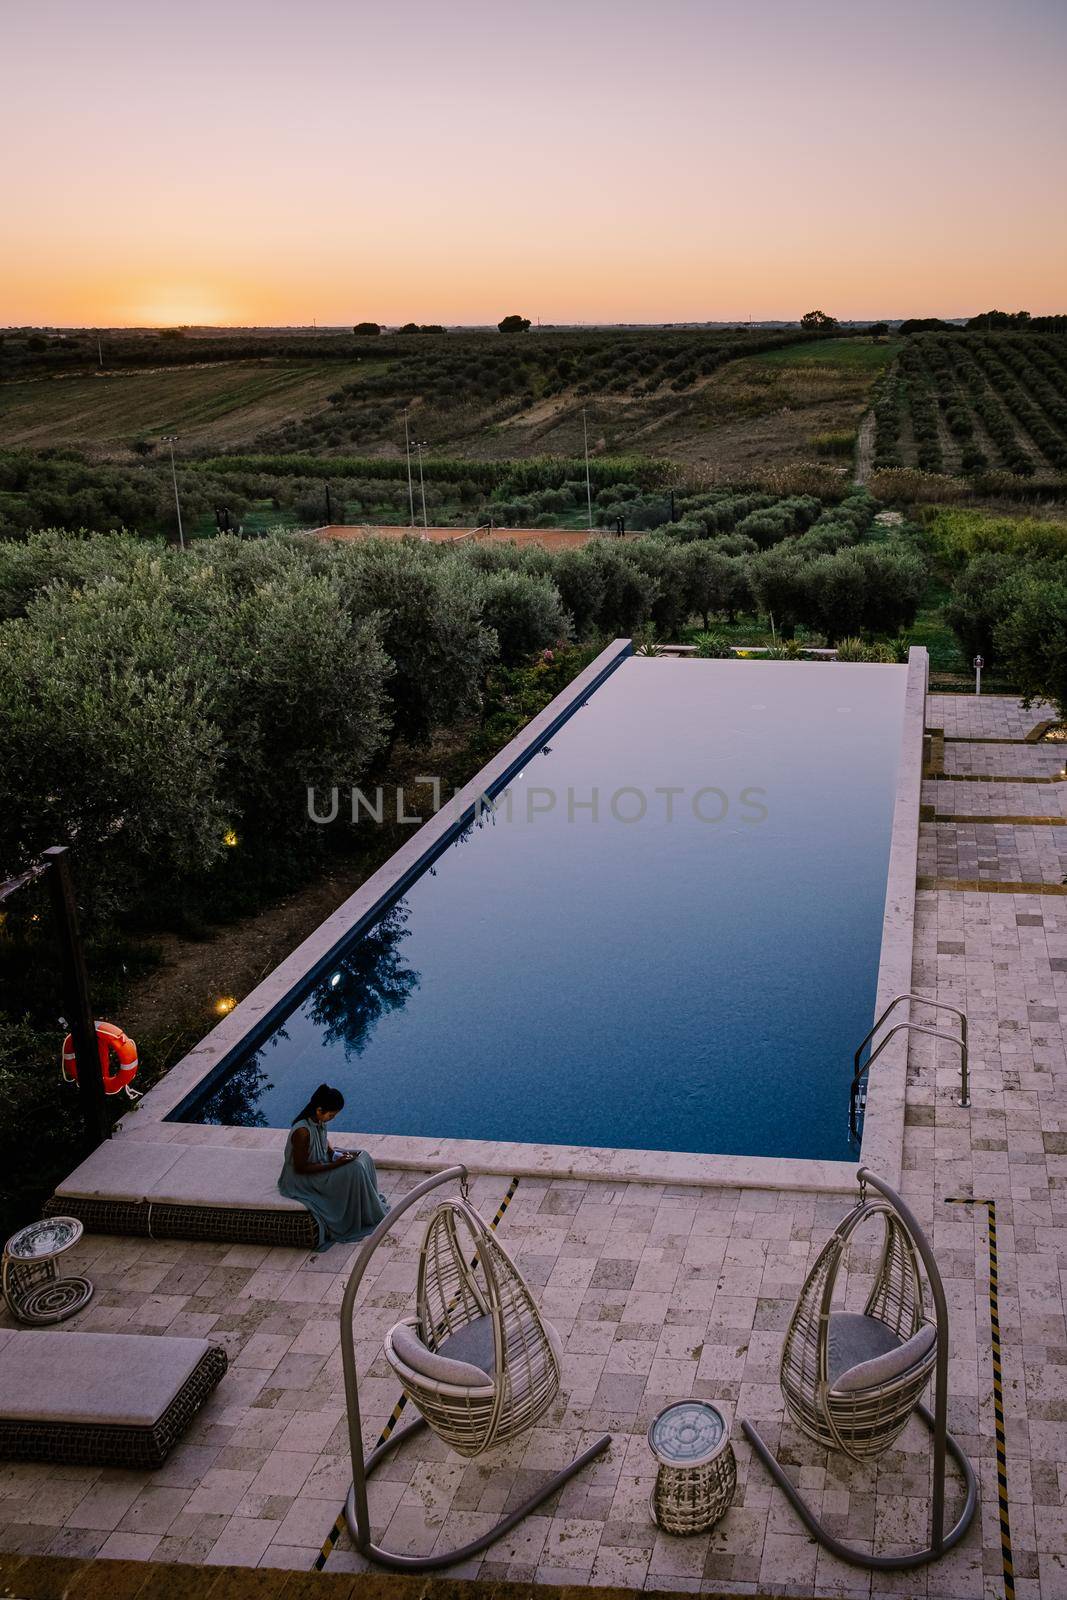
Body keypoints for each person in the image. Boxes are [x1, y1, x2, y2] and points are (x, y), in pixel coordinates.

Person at [279, 1083, 389, 1250]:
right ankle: (358, 1215)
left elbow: (324, 1141)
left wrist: (332, 1153)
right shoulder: (302, 1132)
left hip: (320, 1163)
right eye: (331, 1115)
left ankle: (367, 1205)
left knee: (363, 1157)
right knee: (355, 1169)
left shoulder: (318, 1120)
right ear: (319, 1110)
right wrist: (335, 1165)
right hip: (303, 1179)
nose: (332, 1118)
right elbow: (300, 1168)